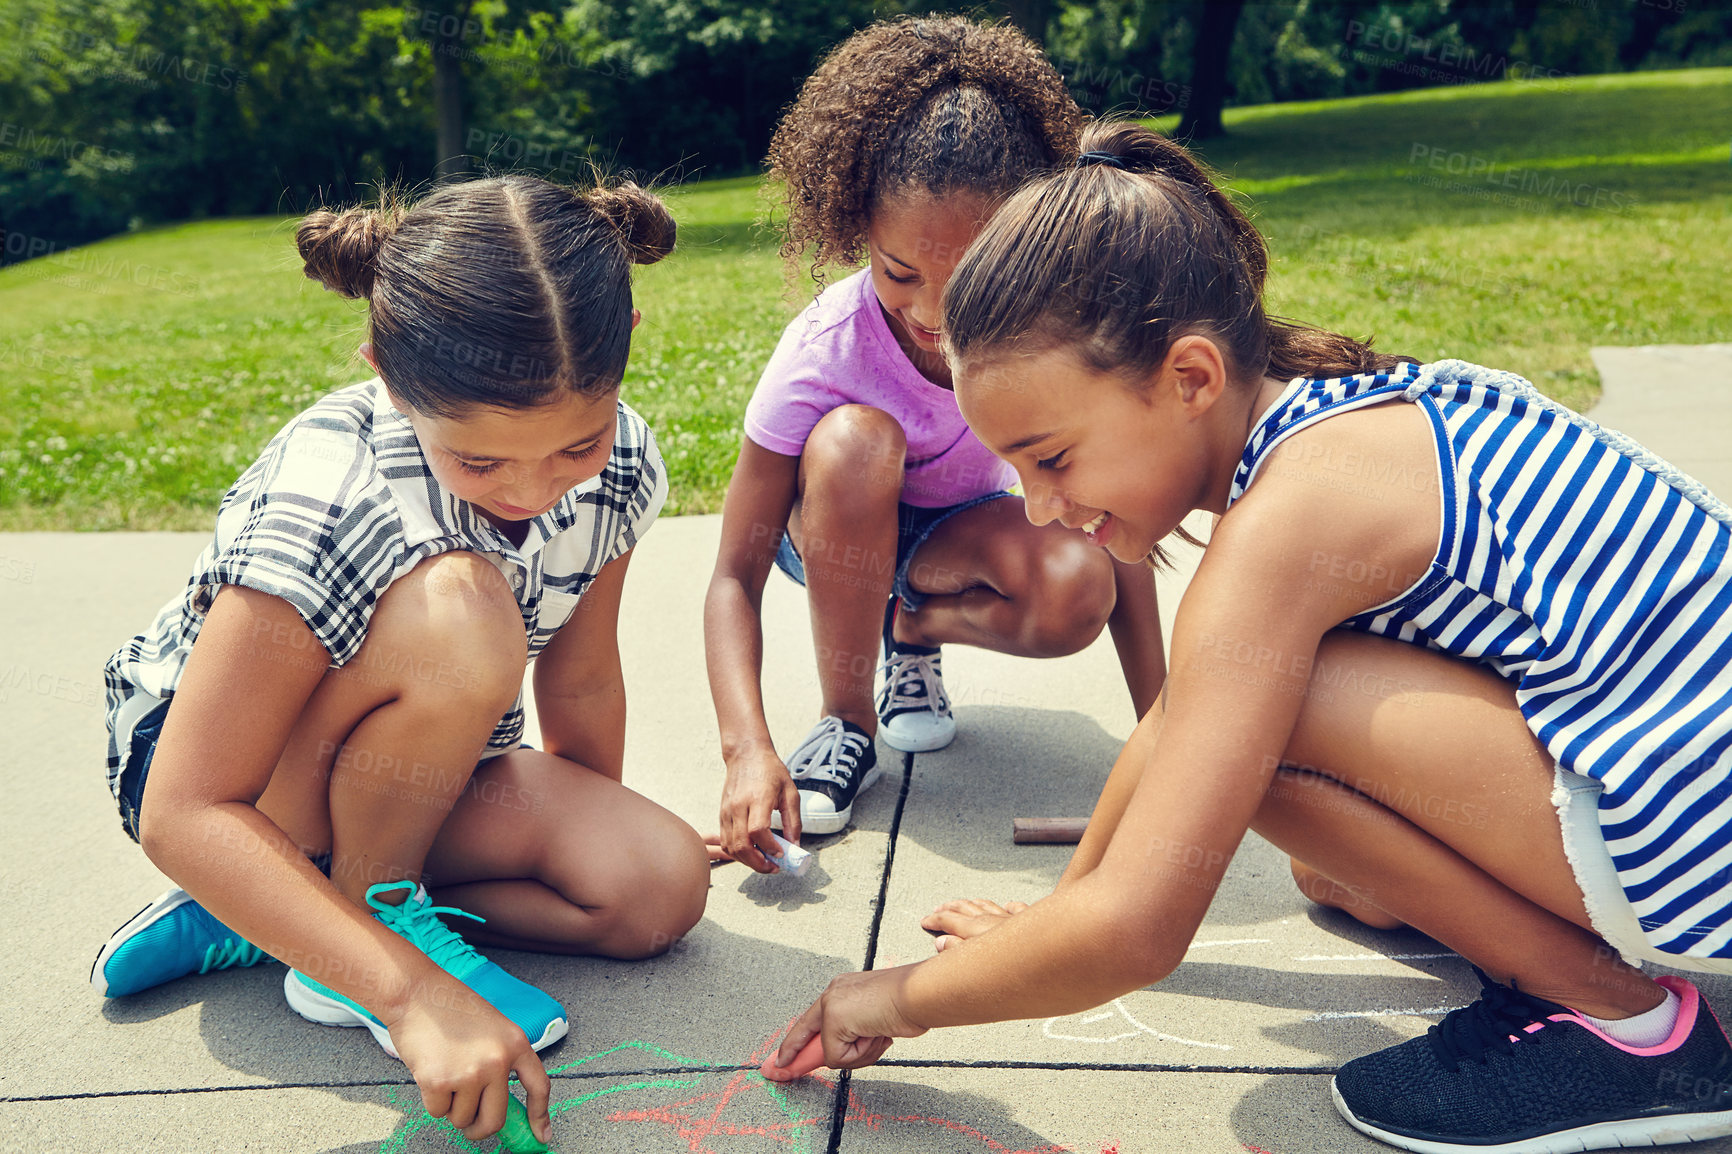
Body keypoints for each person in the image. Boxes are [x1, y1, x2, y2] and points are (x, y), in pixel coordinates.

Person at [770, 121, 1732, 1153]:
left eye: (1051, 458)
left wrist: (898, 997)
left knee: (1266, 723)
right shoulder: (1325, 423)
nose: (1041, 509)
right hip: (1683, 785)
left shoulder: (1290, 518)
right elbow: (1184, 716)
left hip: (1697, 831)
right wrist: (1060, 909)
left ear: (1188, 377)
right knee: (1304, 822)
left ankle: (1630, 1028)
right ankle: (1588, 968)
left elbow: (1139, 932)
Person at [90, 174, 710, 1148]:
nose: (534, 489)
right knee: (462, 609)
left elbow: (583, 672)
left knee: (653, 887)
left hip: (412, 773)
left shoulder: (622, 461)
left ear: (628, 333)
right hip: (229, 778)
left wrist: (584, 824)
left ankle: (277, 907)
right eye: (481, 462)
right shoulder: (330, 488)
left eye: (573, 445)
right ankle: (347, 929)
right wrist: (413, 994)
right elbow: (184, 806)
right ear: (384, 366)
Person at [705, 17, 1166, 868]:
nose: (930, 315)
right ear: (854, 231)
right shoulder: (825, 351)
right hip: (834, 536)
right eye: (899, 272)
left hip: (958, 532)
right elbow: (734, 575)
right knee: (854, 443)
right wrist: (746, 751)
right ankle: (846, 723)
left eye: (968, 277)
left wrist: (1168, 727)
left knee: (1076, 586)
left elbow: (1122, 528)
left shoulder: (1051, 333)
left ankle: (907, 633)